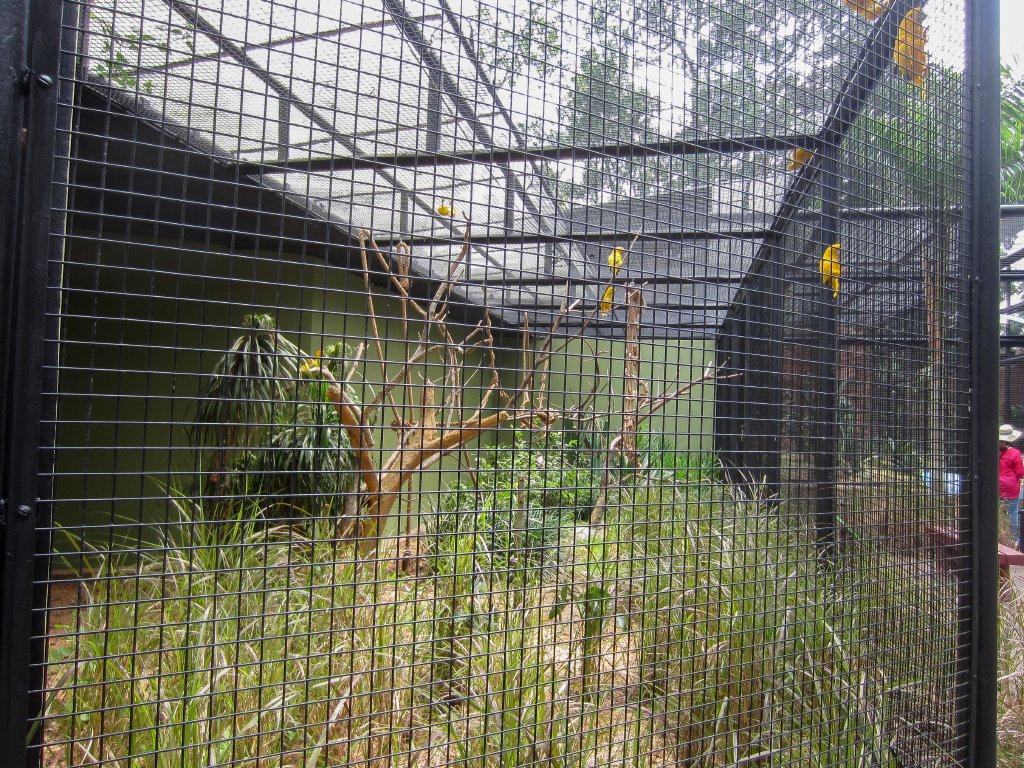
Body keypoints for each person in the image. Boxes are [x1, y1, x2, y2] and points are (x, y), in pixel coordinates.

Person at [999, 424, 1024, 550]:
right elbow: (1020, 473)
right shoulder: (1015, 453)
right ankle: (1013, 540)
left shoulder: (993, 451)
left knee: (999, 512)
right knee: (1013, 512)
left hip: (996, 487)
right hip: (1011, 488)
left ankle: (1000, 537)